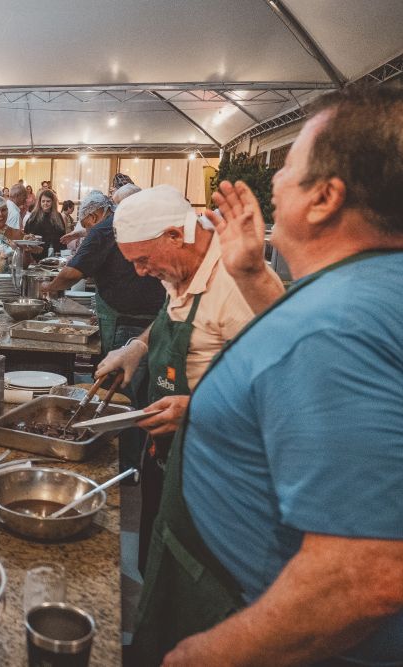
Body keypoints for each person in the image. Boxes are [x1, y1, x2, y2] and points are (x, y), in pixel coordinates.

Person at [132, 86, 403, 665]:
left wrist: (205, 656)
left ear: (326, 197)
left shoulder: (333, 327)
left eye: (289, 165)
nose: (273, 181)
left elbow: (362, 576)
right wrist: (253, 273)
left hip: (256, 614)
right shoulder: (365, 284)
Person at [95, 184, 282, 572]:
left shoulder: (237, 286)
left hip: (217, 466)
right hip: (166, 452)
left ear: (176, 235)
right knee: (158, 554)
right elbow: (174, 317)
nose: (140, 271)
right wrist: (137, 346)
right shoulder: (180, 268)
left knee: (195, 574)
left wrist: (197, 410)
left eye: (143, 259)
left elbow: (280, 393)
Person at [42, 190, 165, 354]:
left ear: (93, 216)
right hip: (154, 316)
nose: (88, 231)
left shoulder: (101, 230)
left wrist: (49, 286)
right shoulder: (126, 221)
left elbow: (72, 274)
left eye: (86, 225)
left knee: (119, 373)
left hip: (125, 321)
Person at [24, 188, 65, 256]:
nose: (45, 203)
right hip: (37, 254)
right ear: (39, 202)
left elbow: (62, 237)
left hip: (54, 254)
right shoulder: (33, 216)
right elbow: (26, 234)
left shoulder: (58, 216)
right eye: (43, 201)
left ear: (52, 202)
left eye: (48, 201)